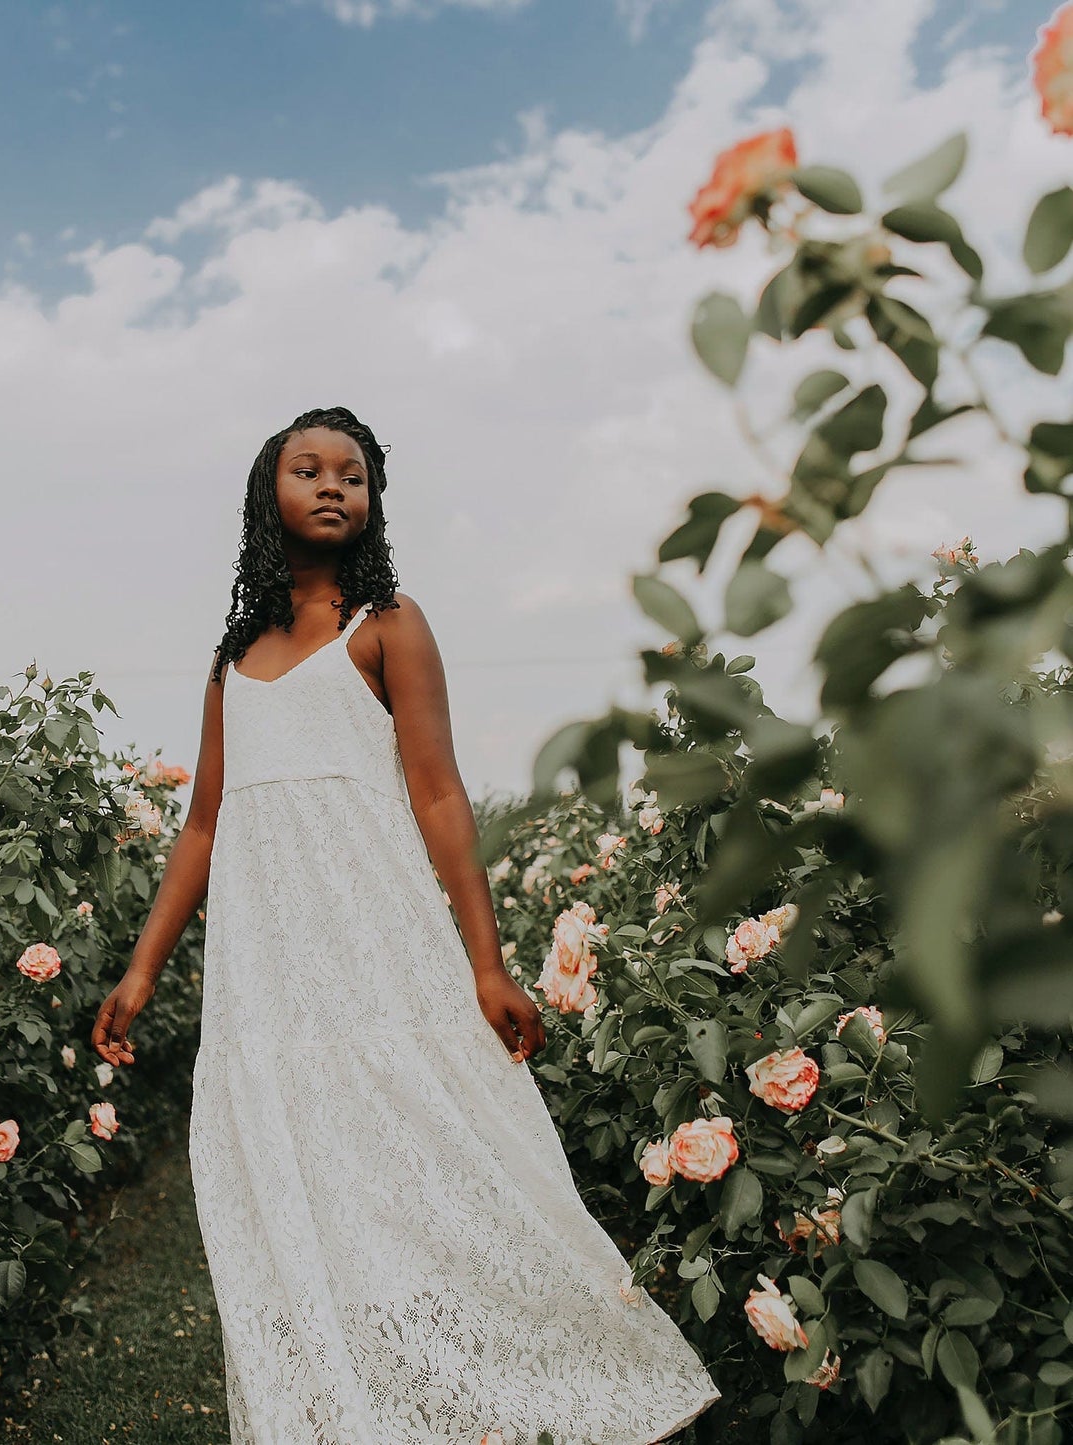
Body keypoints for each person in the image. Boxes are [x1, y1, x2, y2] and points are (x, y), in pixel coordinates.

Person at [91, 406, 719, 1444]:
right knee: (308, 1167)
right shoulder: (231, 657)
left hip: (377, 938)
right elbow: (203, 820)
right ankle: (350, 1398)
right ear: (267, 494)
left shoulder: (387, 624)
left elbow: (437, 794)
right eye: (307, 469)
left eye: (353, 473)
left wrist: (486, 964)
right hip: (269, 967)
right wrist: (142, 968)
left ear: (373, 500)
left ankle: (549, 1366)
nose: (333, 485)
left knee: (438, 1142)